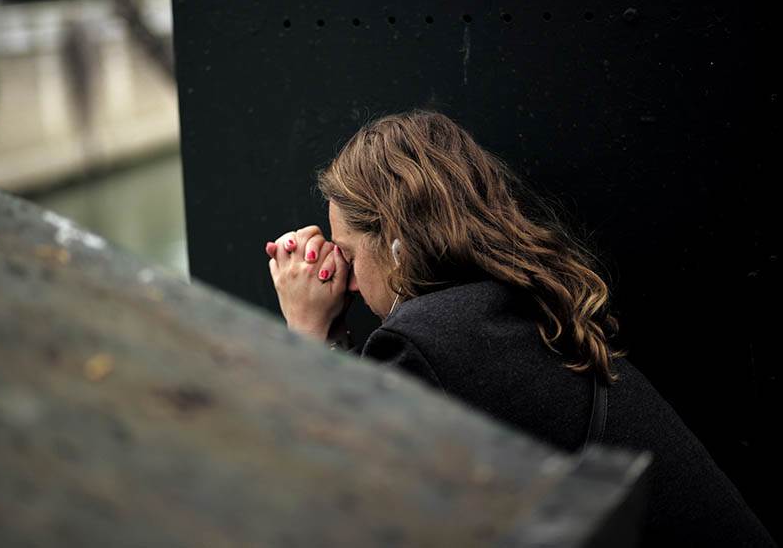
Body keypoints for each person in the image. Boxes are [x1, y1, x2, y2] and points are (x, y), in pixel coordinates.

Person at [263, 109, 776, 547]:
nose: (347, 284)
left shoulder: (428, 338)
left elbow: (331, 501)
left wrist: (305, 327)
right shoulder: (508, 308)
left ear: (395, 239)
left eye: (348, 256)